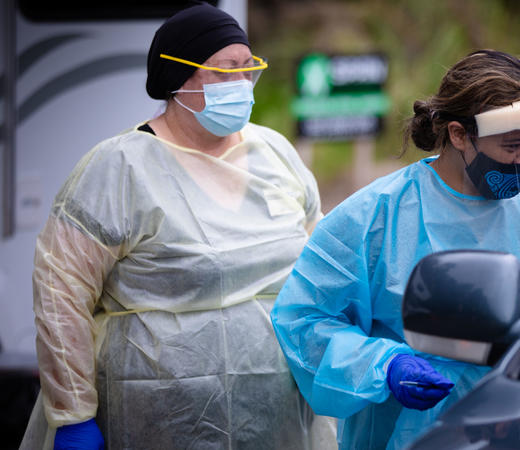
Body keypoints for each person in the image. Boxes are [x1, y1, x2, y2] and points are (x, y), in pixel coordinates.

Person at [23, 2, 328, 449]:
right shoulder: (120, 166)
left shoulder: (275, 154)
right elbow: (60, 292)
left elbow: (322, 265)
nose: (242, 85)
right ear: (176, 79)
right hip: (158, 420)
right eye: (224, 72)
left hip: (275, 418)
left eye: (248, 70)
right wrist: (74, 413)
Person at [270, 49, 520, 450]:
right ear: (459, 135)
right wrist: (382, 365)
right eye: (511, 146)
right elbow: (303, 319)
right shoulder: (376, 215)